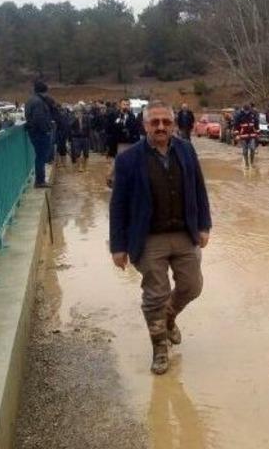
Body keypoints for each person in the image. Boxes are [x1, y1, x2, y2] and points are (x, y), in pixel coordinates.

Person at [109, 100, 212, 375]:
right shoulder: (128, 160)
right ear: (145, 126)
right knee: (156, 294)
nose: (161, 127)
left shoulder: (187, 150)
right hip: (149, 237)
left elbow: (199, 189)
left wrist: (204, 225)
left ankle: (168, 318)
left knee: (192, 286)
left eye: (166, 122)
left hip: (183, 232)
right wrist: (118, 247)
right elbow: (118, 205)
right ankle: (159, 350)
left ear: (174, 124)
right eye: (154, 122)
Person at [24, 81, 58, 188]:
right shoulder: (39, 102)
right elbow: (39, 118)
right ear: (45, 91)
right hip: (39, 133)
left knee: (40, 156)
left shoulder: (31, 100)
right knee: (41, 157)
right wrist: (46, 130)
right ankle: (40, 181)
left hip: (34, 132)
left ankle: (40, 180)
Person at [234, 104, 258, 168]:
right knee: (245, 151)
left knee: (252, 148)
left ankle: (252, 162)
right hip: (243, 136)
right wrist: (237, 135)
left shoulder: (253, 115)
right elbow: (236, 126)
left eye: (248, 110)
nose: (246, 111)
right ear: (243, 109)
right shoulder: (239, 116)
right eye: (245, 110)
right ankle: (247, 164)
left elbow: (256, 124)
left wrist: (257, 133)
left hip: (252, 135)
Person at [69, 104, 92, 172]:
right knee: (77, 153)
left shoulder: (86, 118)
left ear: (82, 111)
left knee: (86, 153)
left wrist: (89, 137)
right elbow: (69, 125)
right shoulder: (72, 118)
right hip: (76, 138)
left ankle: (85, 166)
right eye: (77, 111)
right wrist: (76, 119)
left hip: (85, 137)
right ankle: (79, 167)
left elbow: (89, 127)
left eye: (80, 111)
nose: (78, 113)